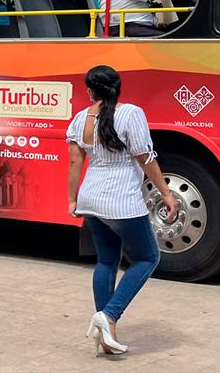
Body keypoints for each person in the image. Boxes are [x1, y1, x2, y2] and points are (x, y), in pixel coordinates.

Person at [66, 65, 177, 355]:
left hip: (91, 198)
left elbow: (75, 163)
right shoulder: (130, 114)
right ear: (118, 88)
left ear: (90, 90)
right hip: (122, 200)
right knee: (148, 257)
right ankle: (110, 314)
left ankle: (107, 335)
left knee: (106, 261)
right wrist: (166, 193)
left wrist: (73, 199)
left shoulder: (79, 119)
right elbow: (145, 157)